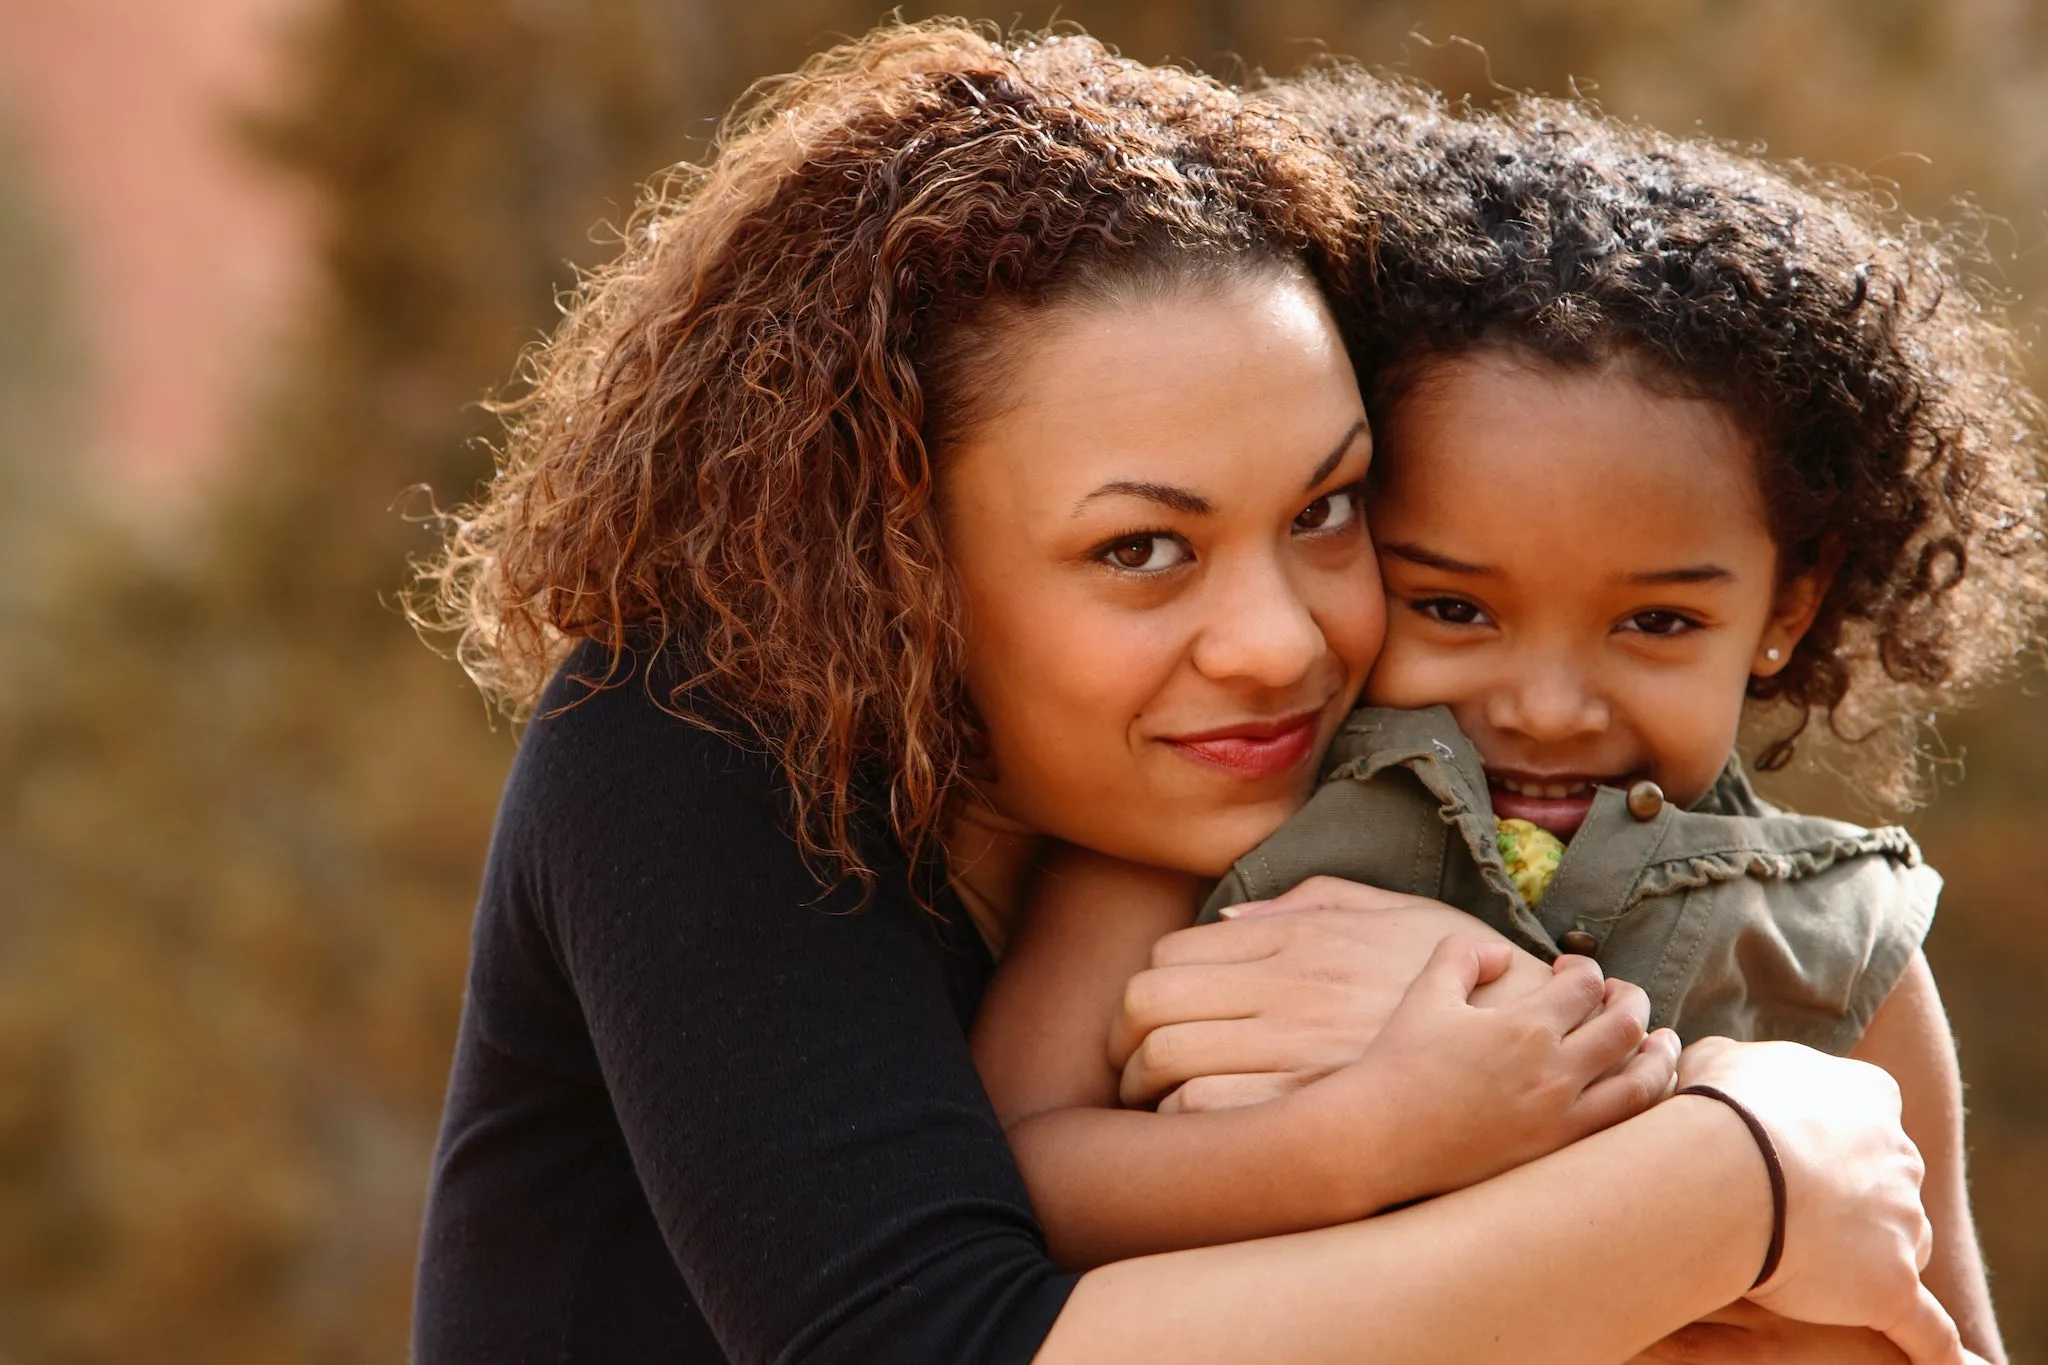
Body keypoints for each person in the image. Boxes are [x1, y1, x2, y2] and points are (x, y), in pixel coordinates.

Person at [408, 22, 1966, 1364]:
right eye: (1144, 547)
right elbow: (932, 1341)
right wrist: (1739, 1170)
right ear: (891, 563)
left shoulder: (1337, 808)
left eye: (1327, 507)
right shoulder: (690, 742)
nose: (1279, 642)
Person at [972, 82, 2046, 1361]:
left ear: (1788, 605)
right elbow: (1011, 1177)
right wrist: (1366, 1137)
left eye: (1652, 625)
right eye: (1453, 607)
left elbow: (1946, 1331)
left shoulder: (1839, 947)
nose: (1544, 707)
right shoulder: (1200, 845)